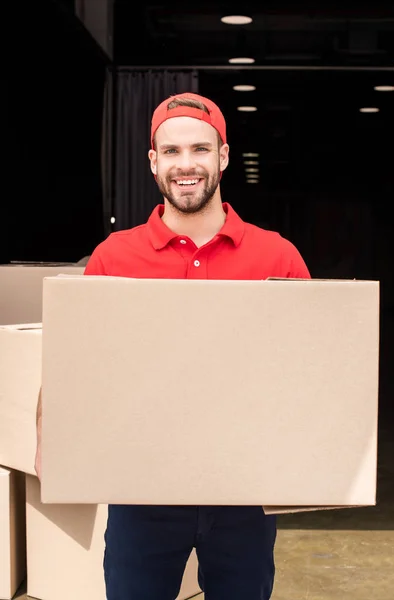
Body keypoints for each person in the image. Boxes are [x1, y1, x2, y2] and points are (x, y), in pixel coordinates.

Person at [35, 92, 311, 600]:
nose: (187, 165)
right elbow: (73, 367)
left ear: (223, 157)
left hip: (244, 494)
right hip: (141, 493)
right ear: (153, 162)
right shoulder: (113, 257)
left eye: (201, 150)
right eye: (172, 151)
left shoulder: (278, 255)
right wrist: (55, 448)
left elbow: (308, 372)